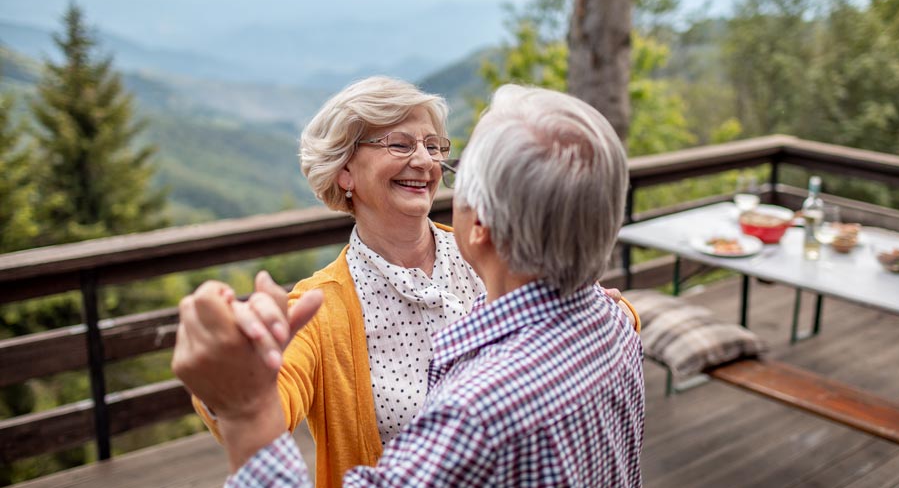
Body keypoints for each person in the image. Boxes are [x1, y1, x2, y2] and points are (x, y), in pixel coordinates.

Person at [173, 84, 644, 487]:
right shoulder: (320, 305)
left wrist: (246, 416)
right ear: (345, 171)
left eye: (435, 146)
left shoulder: (494, 259)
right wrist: (235, 381)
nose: (426, 160)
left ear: (479, 222)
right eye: (399, 144)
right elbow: (272, 393)